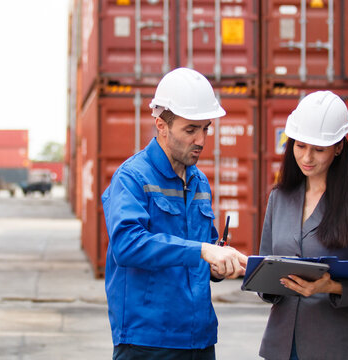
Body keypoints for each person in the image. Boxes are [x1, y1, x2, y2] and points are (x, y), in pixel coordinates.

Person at [102, 67, 248, 360]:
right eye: (190, 129)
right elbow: (128, 246)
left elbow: (203, 252)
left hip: (200, 338)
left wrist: (218, 268)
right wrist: (203, 250)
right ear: (161, 125)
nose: (201, 140)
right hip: (148, 342)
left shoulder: (199, 181)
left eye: (205, 128)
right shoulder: (132, 178)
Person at [258, 90, 348, 360]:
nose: (307, 158)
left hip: (335, 346)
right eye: (299, 146)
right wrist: (260, 278)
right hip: (282, 346)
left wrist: (330, 286)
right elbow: (264, 272)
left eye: (318, 149)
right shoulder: (279, 198)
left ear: (339, 147)